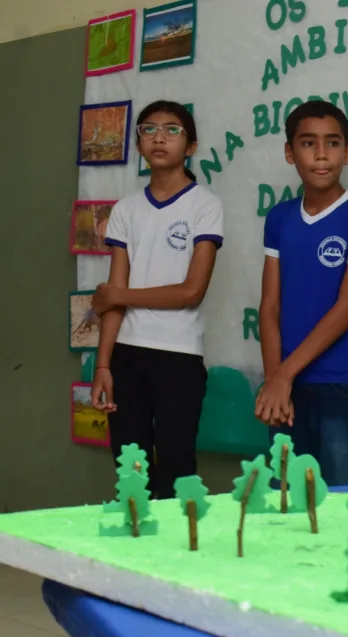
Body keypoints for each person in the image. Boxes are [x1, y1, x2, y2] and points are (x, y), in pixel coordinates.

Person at [90, 101, 223, 499]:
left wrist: (118, 295)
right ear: (138, 144)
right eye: (148, 130)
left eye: (171, 130)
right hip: (126, 356)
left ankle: (176, 559)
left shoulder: (205, 205)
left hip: (178, 357)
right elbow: (114, 297)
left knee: (177, 472)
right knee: (130, 471)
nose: (159, 137)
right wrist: (103, 364)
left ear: (191, 146)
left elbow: (190, 292)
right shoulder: (126, 210)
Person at [256, 101, 348, 487]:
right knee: (285, 497)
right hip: (286, 386)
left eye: (332, 143)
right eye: (308, 143)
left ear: (347, 151)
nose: (321, 154)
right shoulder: (279, 217)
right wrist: (274, 380)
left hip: (341, 384)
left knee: (340, 500)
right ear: (289, 152)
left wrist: (284, 374)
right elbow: (269, 306)